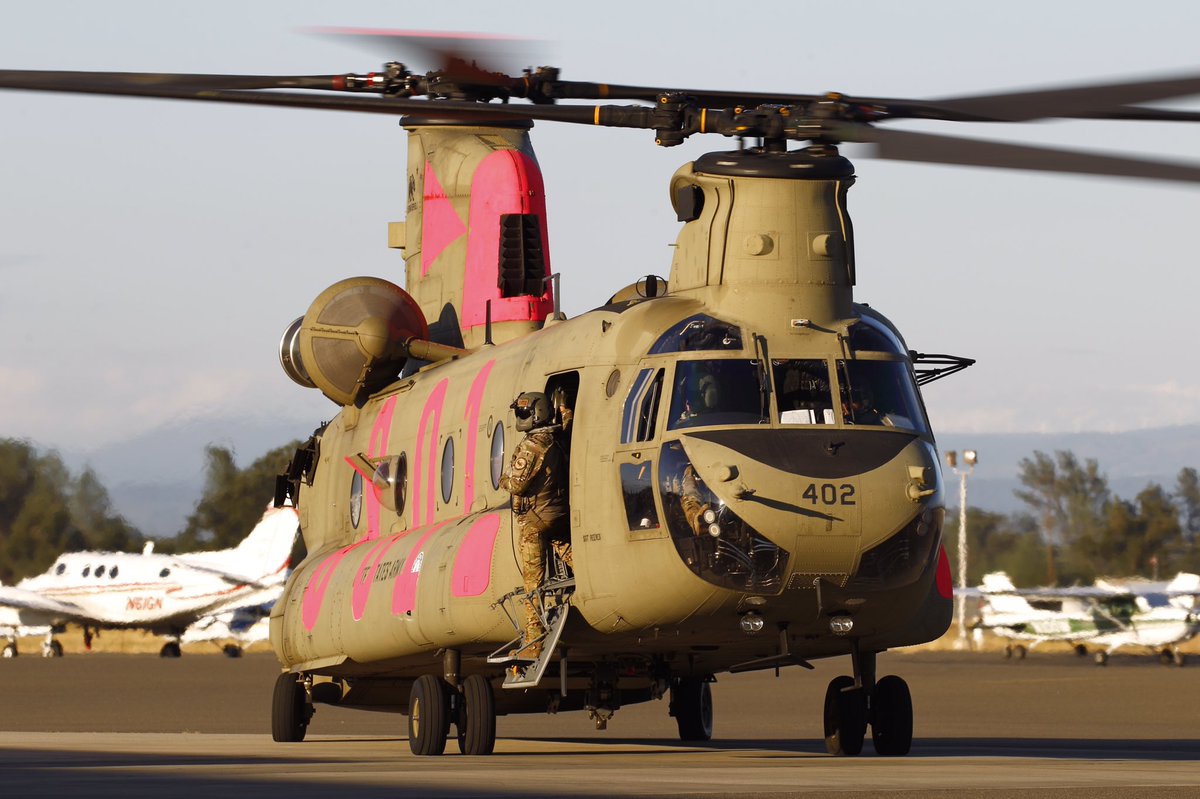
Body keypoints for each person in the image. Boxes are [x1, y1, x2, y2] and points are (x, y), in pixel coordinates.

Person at [499, 391, 571, 659]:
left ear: (536, 414)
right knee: (564, 550)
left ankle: (533, 639)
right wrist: (565, 411)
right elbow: (568, 427)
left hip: (536, 521)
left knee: (532, 582)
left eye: (523, 412)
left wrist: (503, 479)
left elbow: (517, 484)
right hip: (556, 514)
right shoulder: (556, 438)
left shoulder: (533, 446)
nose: (520, 417)